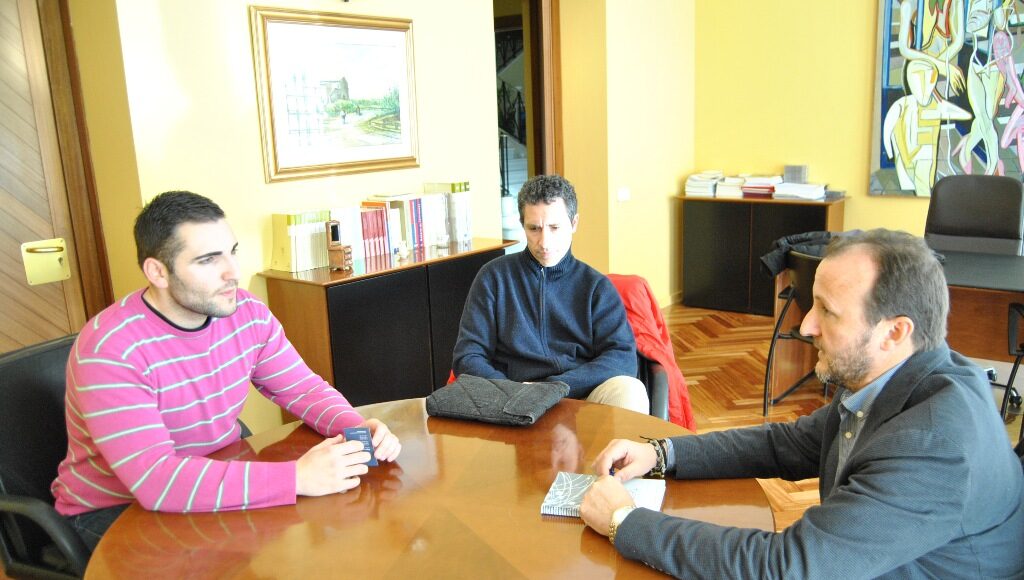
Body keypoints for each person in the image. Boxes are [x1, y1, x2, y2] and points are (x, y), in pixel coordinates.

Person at [580, 229, 1024, 578]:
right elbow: (789, 444)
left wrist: (625, 521)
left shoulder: (934, 444)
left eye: (827, 311)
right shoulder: (897, 376)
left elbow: (786, 568)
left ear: (894, 332)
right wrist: (661, 454)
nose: (806, 326)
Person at [51, 191, 402, 551]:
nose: (233, 273)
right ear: (158, 272)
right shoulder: (110, 349)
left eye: (232, 252)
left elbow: (302, 389)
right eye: (208, 260)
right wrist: (296, 477)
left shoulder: (246, 312)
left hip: (217, 472)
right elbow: (157, 481)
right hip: (119, 510)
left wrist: (355, 428)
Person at [452, 174, 648, 413]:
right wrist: (514, 392)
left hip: (578, 395)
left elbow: (622, 358)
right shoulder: (493, 277)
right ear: (522, 224)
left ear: (574, 223)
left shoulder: (596, 287)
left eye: (555, 228)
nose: (544, 242)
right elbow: (467, 356)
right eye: (534, 228)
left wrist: (553, 388)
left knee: (630, 390)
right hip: (511, 398)